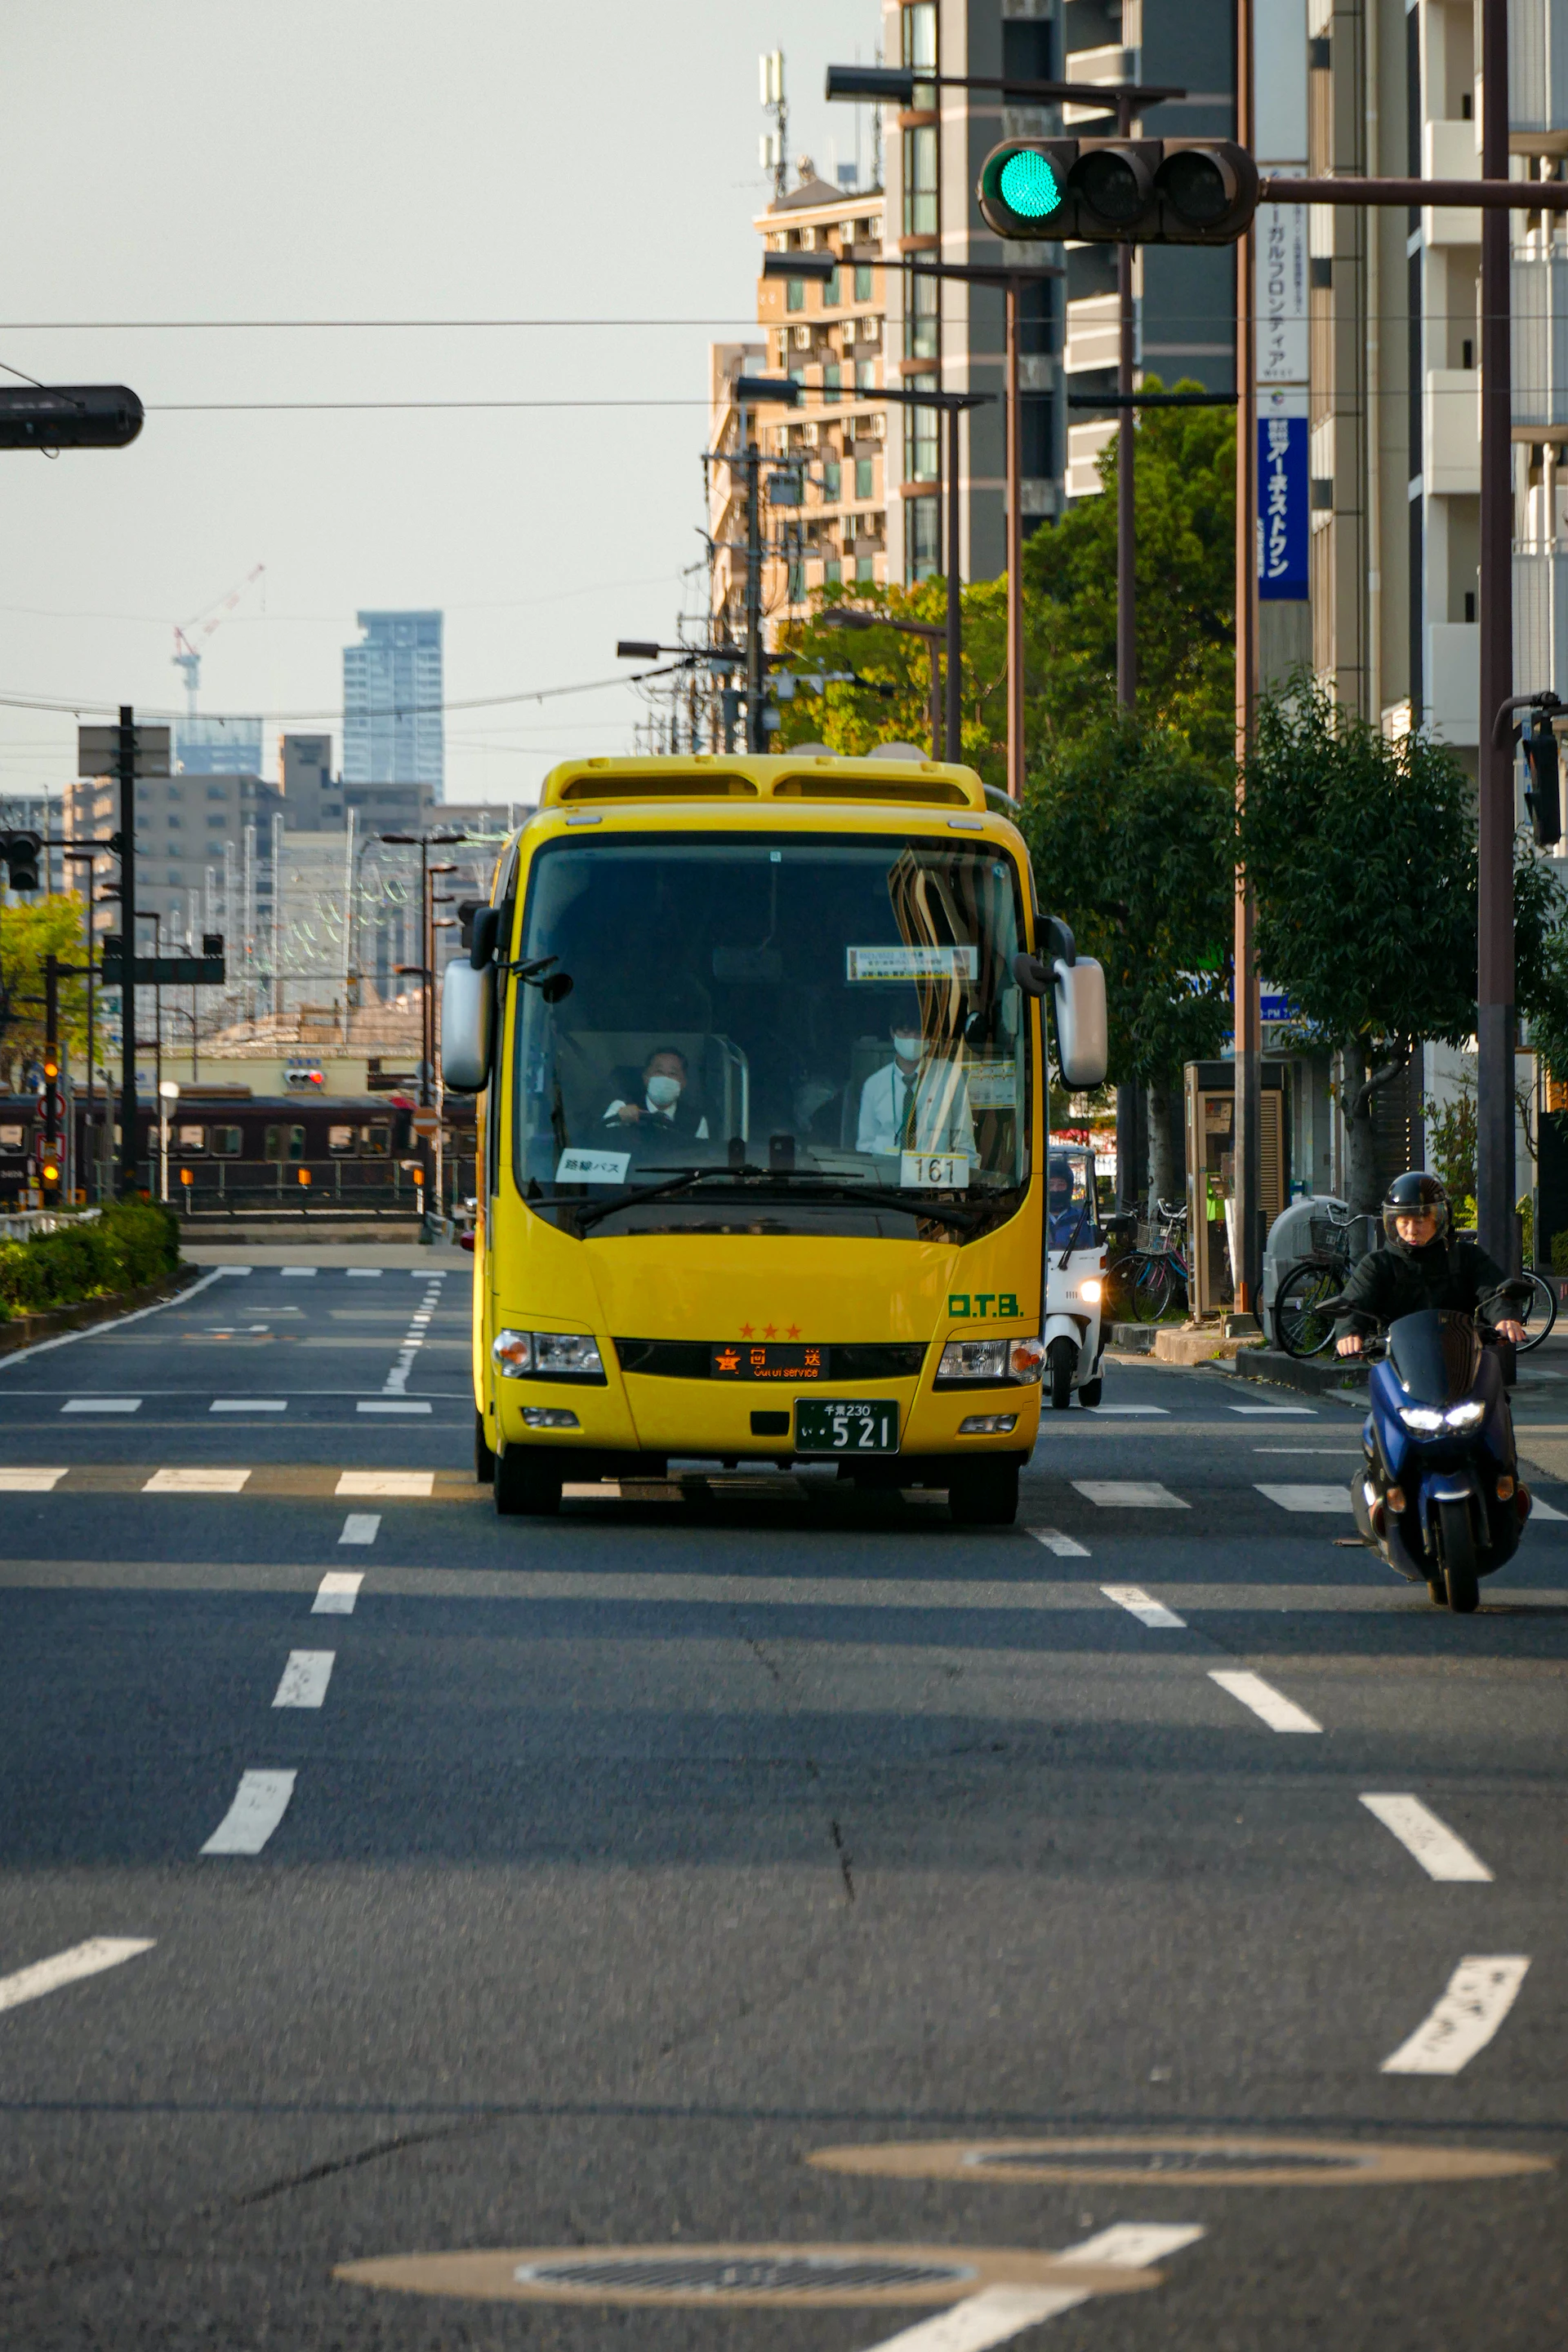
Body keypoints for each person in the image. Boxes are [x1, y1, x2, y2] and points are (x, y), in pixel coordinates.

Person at [1333, 1171, 1529, 1356]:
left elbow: (1493, 1290)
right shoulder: (1377, 1265)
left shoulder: (1466, 1256)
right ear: (1393, 1222)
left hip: (1461, 1359)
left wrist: (1504, 1318)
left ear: (1439, 1219)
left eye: (1420, 1221)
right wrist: (1349, 1332)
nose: (1412, 1231)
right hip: (1399, 1364)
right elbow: (1354, 1301)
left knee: (1491, 1384)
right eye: (1404, 1222)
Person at [855, 1004, 973, 1158]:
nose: (913, 1039)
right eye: (905, 1032)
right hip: (885, 1176)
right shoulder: (874, 1085)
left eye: (919, 1033)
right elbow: (865, 1146)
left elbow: (964, 1144)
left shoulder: (949, 1077)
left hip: (935, 1177)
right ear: (893, 1032)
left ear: (930, 1036)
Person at [602, 1047, 709, 1142]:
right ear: (646, 1078)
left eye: (673, 1073)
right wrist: (621, 1119)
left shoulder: (696, 1122)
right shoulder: (621, 1106)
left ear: (683, 1083)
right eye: (659, 1072)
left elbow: (702, 1157)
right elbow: (602, 1140)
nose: (665, 1078)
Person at [1047, 1152, 1089, 1248]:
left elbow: (1093, 1247)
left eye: (1061, 1184)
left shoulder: (1081, 1218)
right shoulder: (1033, 1217)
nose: (1055, 1189)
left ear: (1069, 1188)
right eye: (1050, 1185)